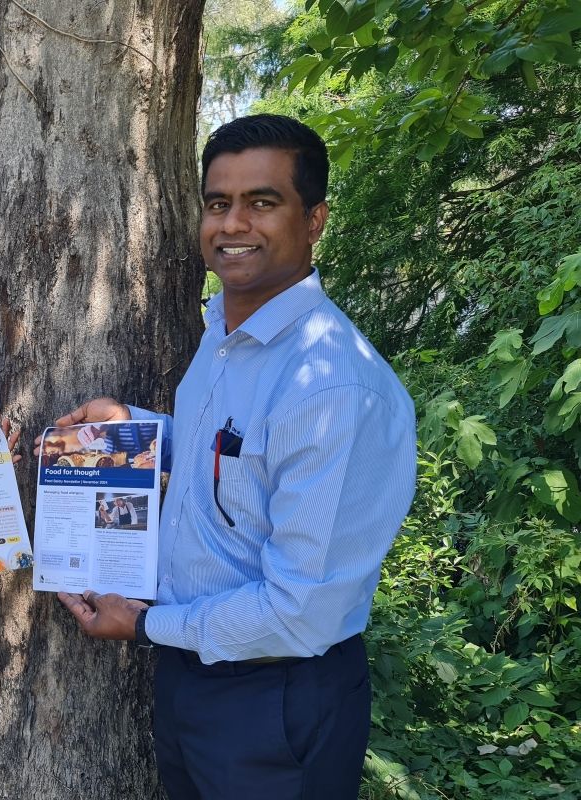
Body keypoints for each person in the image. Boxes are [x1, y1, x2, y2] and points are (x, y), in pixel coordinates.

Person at [48, 115, 416, 799]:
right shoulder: (223, 327)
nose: (233, 223)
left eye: (263, 202)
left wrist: (149, 624)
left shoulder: (333, 385)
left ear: (315, 220)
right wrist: (135, 427)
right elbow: (230, 455)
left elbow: (299, 609)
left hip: (278, 696)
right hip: (195, 677)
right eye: (219, 203)